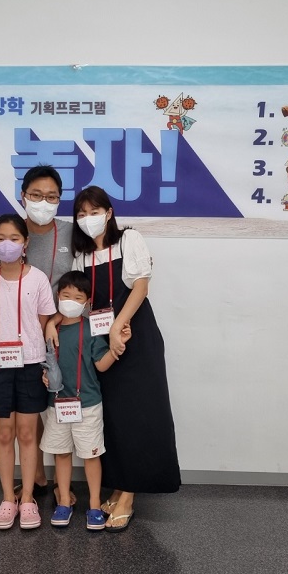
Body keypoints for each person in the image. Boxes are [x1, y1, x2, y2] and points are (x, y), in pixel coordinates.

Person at [49, 186, 181, 533]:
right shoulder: (81, 257)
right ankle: (119, 486)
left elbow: (141, 286)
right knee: (113, 418)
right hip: (101, 344)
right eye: (81, 214)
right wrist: (53, 322)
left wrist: (118, 326)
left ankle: (129, 495)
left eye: (94, 211)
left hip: (135, 337)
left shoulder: (129, 240)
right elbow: (77, 300)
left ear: (108, 213)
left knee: (138, 414)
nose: (88, 219)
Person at [0, 165, 74, 502]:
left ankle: (63, 484)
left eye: (52, 196)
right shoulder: (10, 234)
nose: (44, 202)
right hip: (26, 340)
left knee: (63, 402)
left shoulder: (71, 233)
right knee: (31, 410)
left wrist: (59, 318)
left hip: (66, 328)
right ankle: (37, 478)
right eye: (36, 195)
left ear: (60, 199)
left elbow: (87, 276)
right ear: (23, 196)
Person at [0, 214, 56, 530]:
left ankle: (28, 499)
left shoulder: (38, 279)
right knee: (5, 434)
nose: (6, 244)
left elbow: (43, 322)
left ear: (25, 243)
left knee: (27, 433)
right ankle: (8, 499)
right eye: (0, 238)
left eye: (13, 238)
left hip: (30, 363)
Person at [40, 271, 130, 531]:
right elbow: (45, 362)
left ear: (87, 302)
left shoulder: (90, 329)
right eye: (65, 295)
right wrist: (44, 376)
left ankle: (94, 505)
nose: (70, 301)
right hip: (57, 405)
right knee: (61, 454)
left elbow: (101, 365)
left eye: (77, 297)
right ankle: (64, 501)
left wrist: (116, 348)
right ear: (58, 296)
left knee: (91, 456)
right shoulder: (51, 330)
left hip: (87, 404)